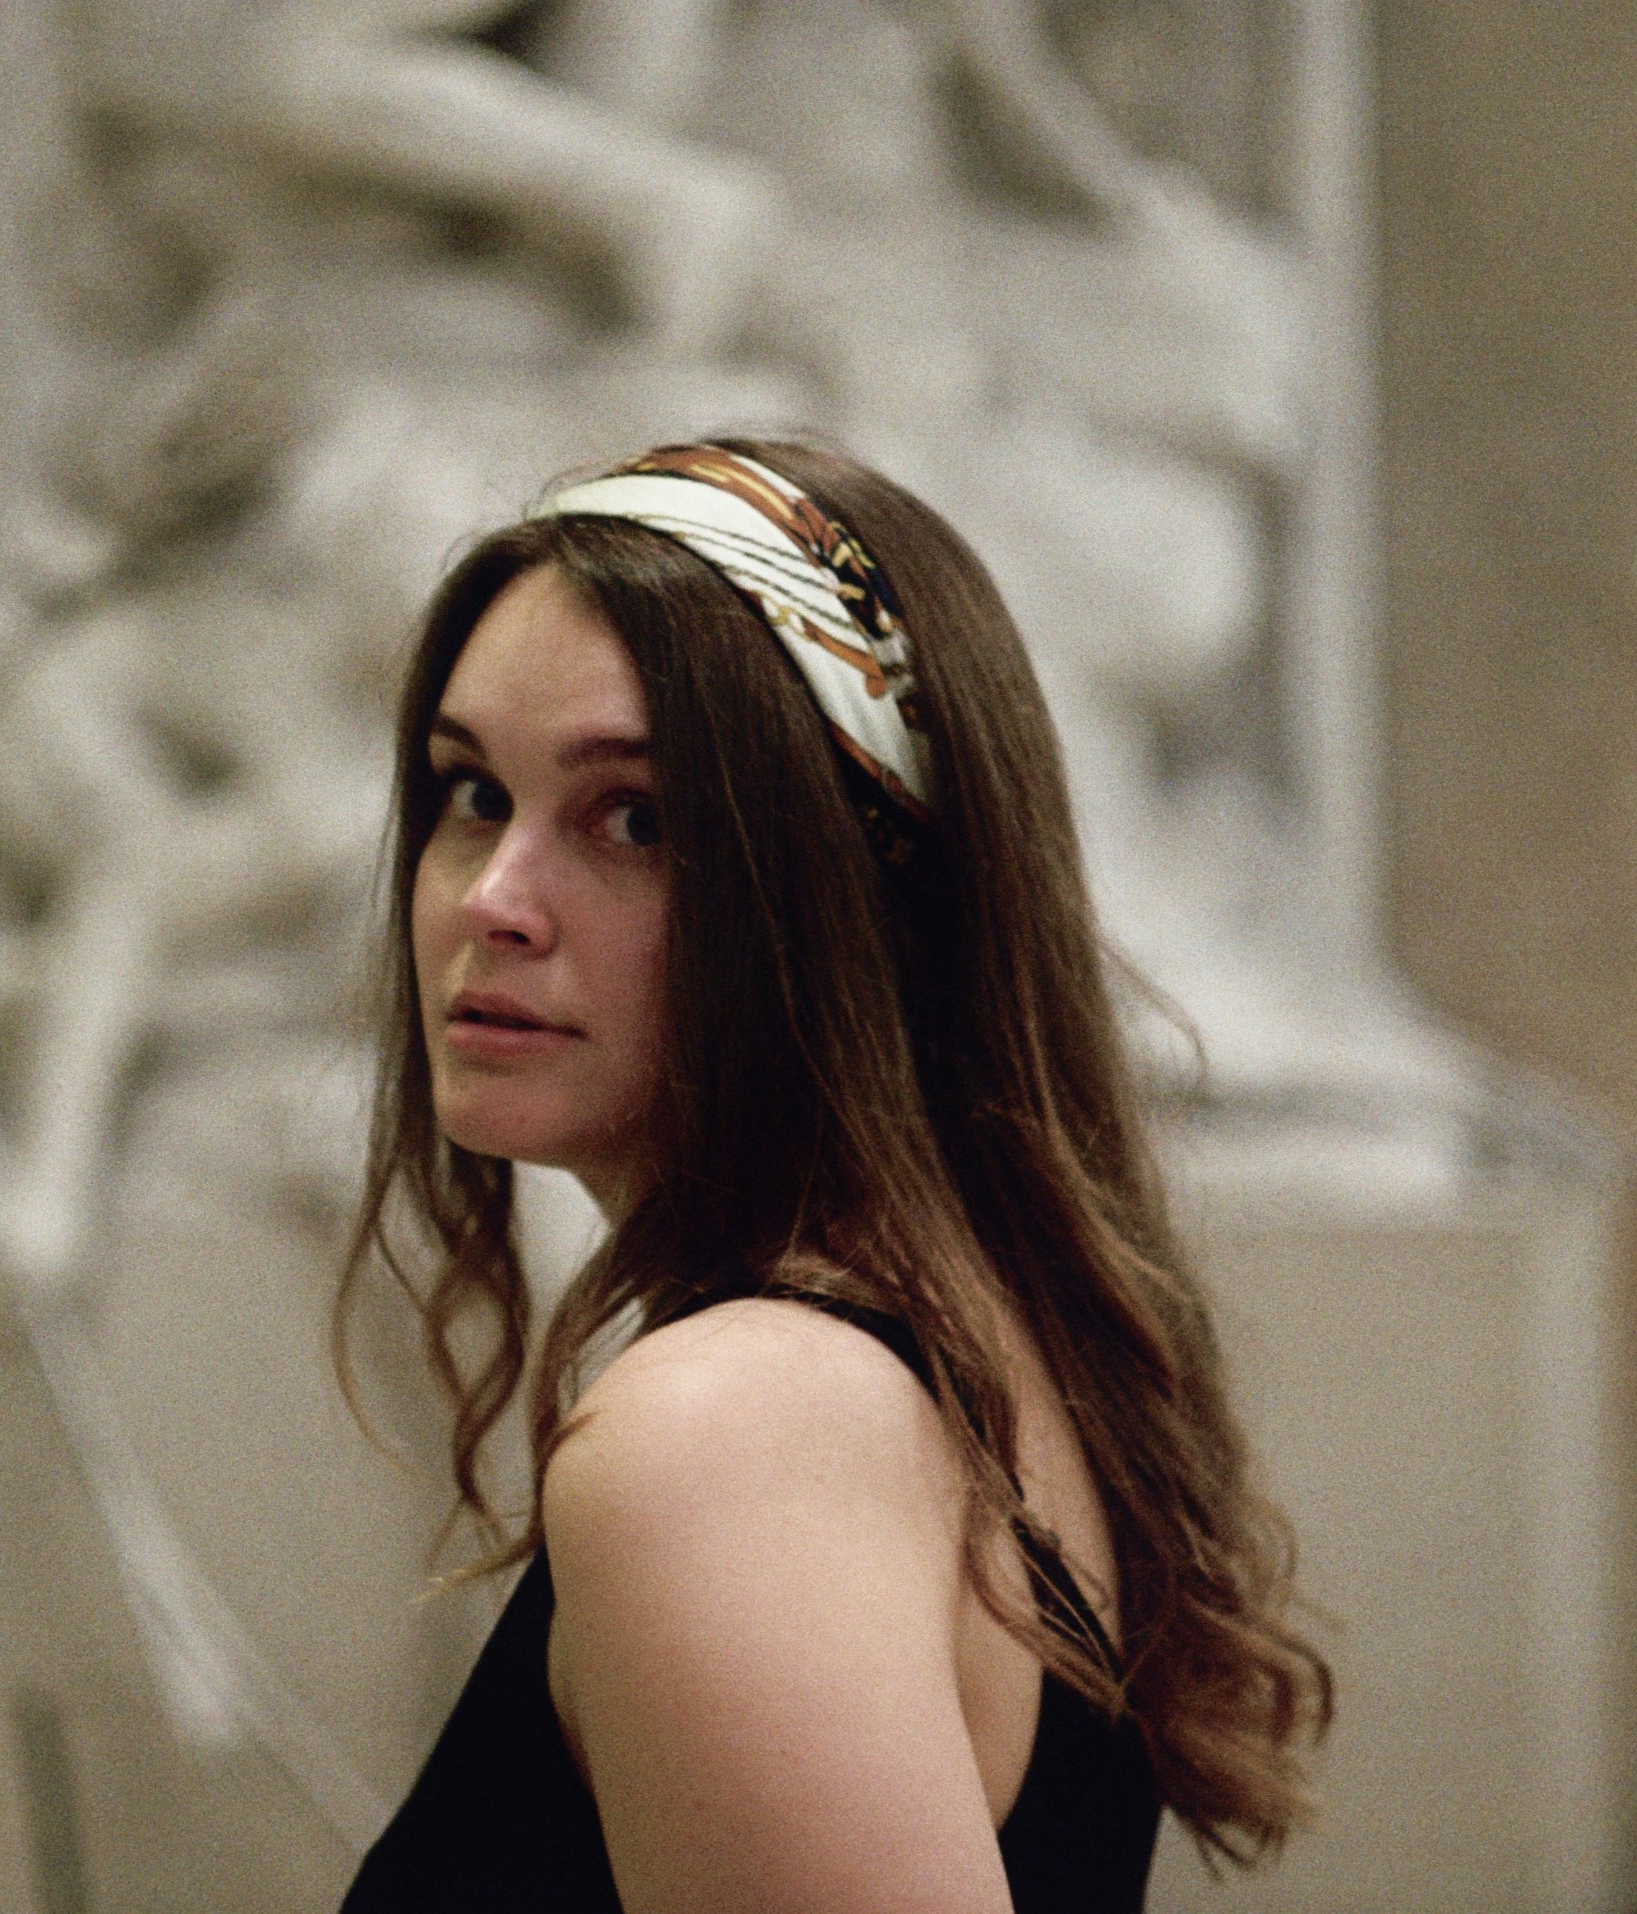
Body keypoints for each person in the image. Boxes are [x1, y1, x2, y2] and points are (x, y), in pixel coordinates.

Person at [335, 440, 1328, 1911]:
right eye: (471, 791)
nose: (491, 897)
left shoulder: (732, 1428)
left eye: (634, 818)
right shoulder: (948, 1331)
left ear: (853, 889)